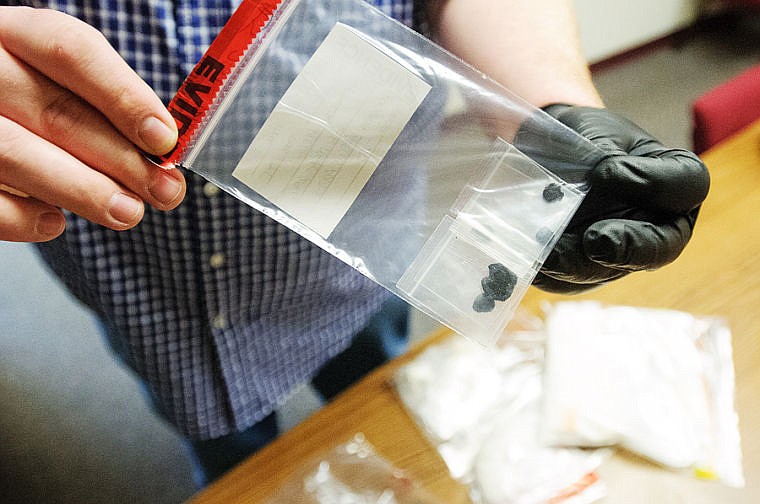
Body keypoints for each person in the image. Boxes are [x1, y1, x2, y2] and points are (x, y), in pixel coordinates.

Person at [0, 0, 709, 487]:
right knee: (233, 459)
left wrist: (554, 112)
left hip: (361, 257)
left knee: (387, 398)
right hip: (140, 278)